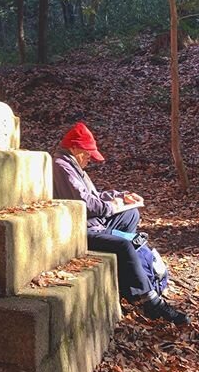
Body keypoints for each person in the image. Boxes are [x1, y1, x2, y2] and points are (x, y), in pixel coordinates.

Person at [53, 122, 189, 325]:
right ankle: (149, 300)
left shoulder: (74, 165)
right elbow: (87, 204)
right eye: (87, 153)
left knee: (131, 215)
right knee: (124, 244)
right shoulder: (62, 167)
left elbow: (95, 196)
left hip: (93, 222)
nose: (90, 158)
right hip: (79, 229)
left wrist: (122, 197)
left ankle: (128, 268)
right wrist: (113, 206)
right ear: (74, 148)